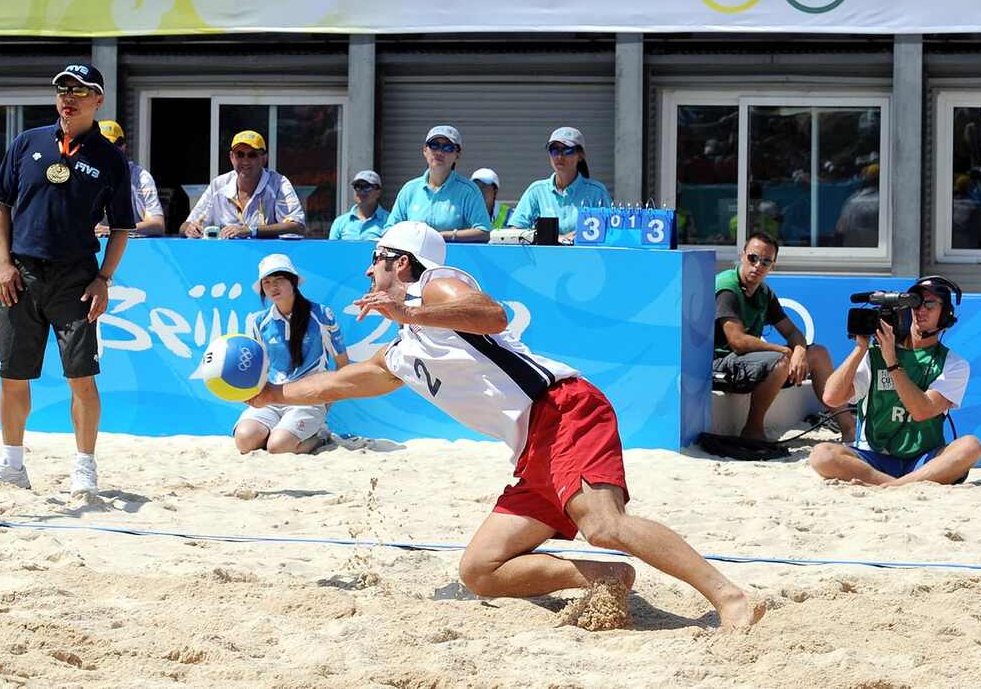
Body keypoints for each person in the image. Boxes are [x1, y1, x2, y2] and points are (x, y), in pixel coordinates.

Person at [246, 221, 764, 631]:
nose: (367, 272)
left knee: (603, 525)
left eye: (374, 260)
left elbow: (491, 315)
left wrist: (406, 308)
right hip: (531, 445)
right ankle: (607, 577)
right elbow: (342, 383)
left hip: (564, 410)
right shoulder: (404, 349)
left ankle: (731, 597)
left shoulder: (440, 286)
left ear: (400, 262)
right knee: (480, 571)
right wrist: (271, 394)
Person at [0, 62, 134, 495]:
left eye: (81, 91)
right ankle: (11, 463)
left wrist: (104, 278)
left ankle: (84, 468)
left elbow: (121, 227)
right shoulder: (28, 142)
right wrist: (3, 263)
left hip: (76, 279)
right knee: (11, 374)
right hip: (22, 274)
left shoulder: (110, 159)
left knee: (81, 378)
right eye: (63, 88)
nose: (69, 96)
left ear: (98, 100)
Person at [810, 276, 981, 486]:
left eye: (930, 303)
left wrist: (892, 362)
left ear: (946, 314)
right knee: (822, 455)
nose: (921, 310)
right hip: (874, 457)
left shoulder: (954, 364)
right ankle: (896, 484)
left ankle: (894, 485)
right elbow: (832, 398)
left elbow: (921, 411)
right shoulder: (874, 354)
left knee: (971, 447)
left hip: (923, 458)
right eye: (916, 302)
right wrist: (860, 348)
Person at [714, 233, 841, 440]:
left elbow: (792, 332)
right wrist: (785, 351)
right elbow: (737, 342)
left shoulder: (764, 292)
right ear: (742, 255)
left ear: (772, 266)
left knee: (818, 353)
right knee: (782, 361)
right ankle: (753, 429)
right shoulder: (727, 286)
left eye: (765, 261)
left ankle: (848, 431)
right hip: (719, 363)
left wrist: (799, 350)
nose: (758, 265)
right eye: (753, 258)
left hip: (747, 363)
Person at [234, 254, 349, 455]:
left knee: (278, 447)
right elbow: (257, 369)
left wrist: (325, 402)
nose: (273, 287)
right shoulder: (257, 321)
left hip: (309, 398)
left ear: (293, 281)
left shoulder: (322, 315)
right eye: (267, 282)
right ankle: (280, 434)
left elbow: (343, 365)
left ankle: (321, 434)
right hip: (271, 397)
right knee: (244, 440)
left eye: (279, 279)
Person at [179, 130, 305, 239]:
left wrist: (252, 230)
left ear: (264, 158)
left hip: (267, 256)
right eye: (240, 154)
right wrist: (190, 229)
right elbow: (185, 226)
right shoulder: (218, 184)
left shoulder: (279, 183)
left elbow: (297, 226)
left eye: (252, 155)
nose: (245, 161)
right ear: (232, 157)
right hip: (228, 256)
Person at [384, 125, 491, 243]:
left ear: (458, 154)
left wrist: (442, 236)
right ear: (425, 150)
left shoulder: (469, 191)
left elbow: (484, 232)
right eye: (434, 146)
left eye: (448, 147)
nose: (439, 152)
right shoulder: (409, 189)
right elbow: (389, 230)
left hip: (452, 259)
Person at [508, 127, 611, 243]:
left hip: (585, 258)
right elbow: (514, 231)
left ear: (581, 155)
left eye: (567, 151)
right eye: (554, 150)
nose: (559, 157)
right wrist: (548, 236)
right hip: (544, 258)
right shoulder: (536, 191)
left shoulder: (597, 192)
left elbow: (609, 231)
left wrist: (582, 235)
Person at [94, 120, 165, 237]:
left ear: (123, 147)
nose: (106, 151)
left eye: (111, 146)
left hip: (132, 247)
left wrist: (112, 230)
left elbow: (157, 225)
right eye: (100, 146)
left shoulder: (140, 178)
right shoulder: (84, 174)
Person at [328, 170, 389, 241]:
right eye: (357, 187)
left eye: (367, 187)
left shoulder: (389, 221)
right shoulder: (340, 222)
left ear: (378, 192)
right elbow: (332, 250)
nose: (362, 192)